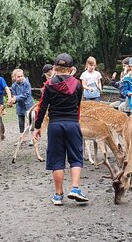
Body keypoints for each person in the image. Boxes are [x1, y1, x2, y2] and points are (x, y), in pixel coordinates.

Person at [33, 53, 88, 206]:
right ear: (71, 69)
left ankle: (58, 195)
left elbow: (42, 106)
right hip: (72, 123)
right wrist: (75, 122)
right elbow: (78, 106)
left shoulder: (49, 85)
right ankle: (75, 188)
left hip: (55, 125)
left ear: (55, 68)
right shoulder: (77, 84)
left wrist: (37, 127)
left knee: (57, 159)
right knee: (76, 156)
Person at [10, 69, 34, 134]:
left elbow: (27, 94)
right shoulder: (13, 86)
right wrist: (12, 101)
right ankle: (22, 138)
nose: (20, 78)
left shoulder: (27, 83)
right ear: (14, 77)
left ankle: (32, 138)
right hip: (20, 107)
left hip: (29, 106)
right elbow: (14, 96)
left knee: (31, 122)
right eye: (18, 77)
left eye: (21, 76)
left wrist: (16, 98)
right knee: (21, 124)